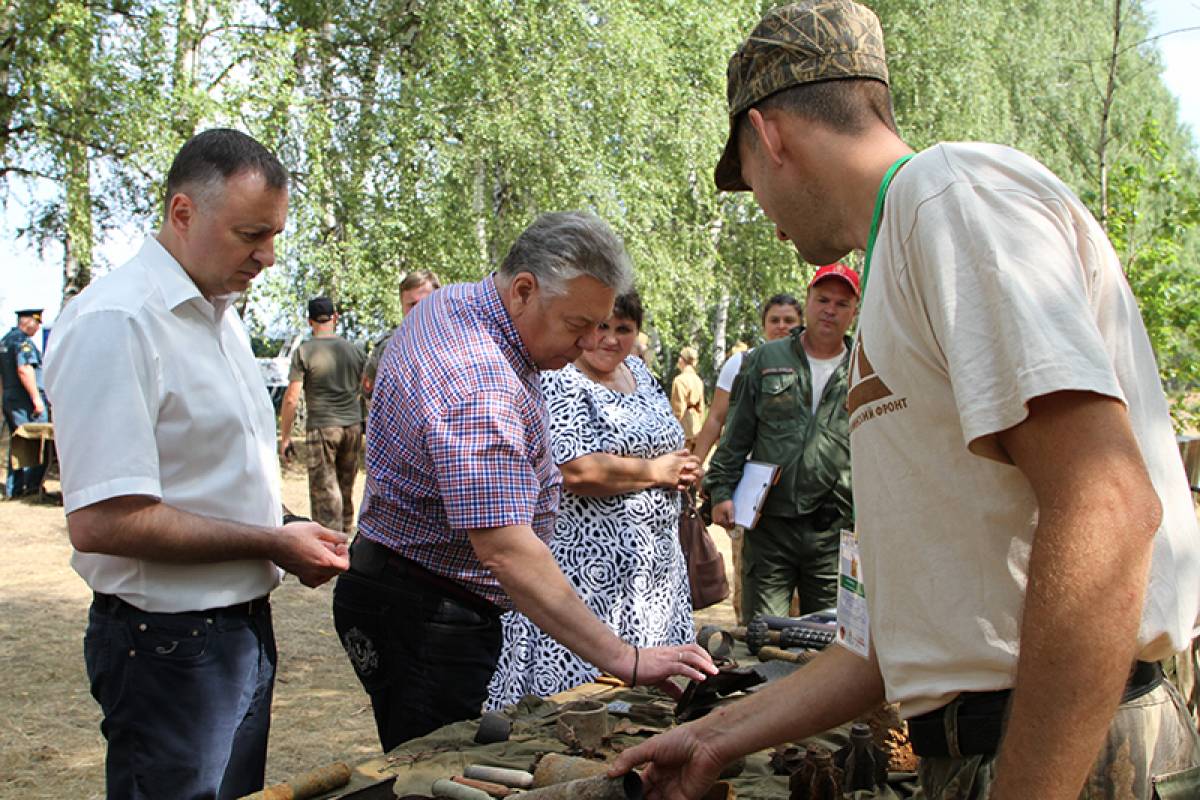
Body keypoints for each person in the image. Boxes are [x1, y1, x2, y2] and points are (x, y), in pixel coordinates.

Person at [611, 3, 1200, 799]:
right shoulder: (899, 261)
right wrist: (714, 736)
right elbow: (886, 641)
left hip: (1069, 754)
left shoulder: (950, 200)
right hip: (1008, 749)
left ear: (771, 135)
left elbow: (1107, 503)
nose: (766, 217)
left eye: (746, 176)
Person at [332, 211, 716, 753]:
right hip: (425, 611)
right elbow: (507, 551)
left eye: (602, 325)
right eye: (577, 325)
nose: (588, 345)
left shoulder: (464, 301)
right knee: (435, 772)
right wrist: (623, 658)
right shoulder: (480, 382)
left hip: (411, 588)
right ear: (523, 290)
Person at [44, 128, 350, 800]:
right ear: (182, 213)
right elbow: (104, 522)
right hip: (168, 645)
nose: (267, 257)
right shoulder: (117, 321)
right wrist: (272, 540)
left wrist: (287, 525)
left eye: (274, 234)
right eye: (250, 234)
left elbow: (211, 477)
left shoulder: (220, 314)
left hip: (235, 631)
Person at [486, 288, 702, 709]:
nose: (611, 339)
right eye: (602, 326)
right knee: (578, 701)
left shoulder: (640, 373)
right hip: (585, 576)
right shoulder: (560, 377)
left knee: (649, 706)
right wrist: (657, 471)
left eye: (624, 329)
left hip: (652, 577)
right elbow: (574, 469)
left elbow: (670, 443)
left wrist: (685, 469)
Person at [704, 265, 857, 623]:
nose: (830, 310)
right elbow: (737, 433)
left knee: (829, 637)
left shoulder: (865, 366)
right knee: (764, 632)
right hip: (771, 524)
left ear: (854, 311)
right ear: (809, 301)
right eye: (822, 300)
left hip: (833, 530)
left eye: (841, 303)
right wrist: (721, 490)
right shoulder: (765, 360)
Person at [279, 296, 368, 533]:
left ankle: (329, 547)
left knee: (325, 493)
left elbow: (291, 398)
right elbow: (368, 390)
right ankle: (346, 541)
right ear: (335, 318)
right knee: (346, 488)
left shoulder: (304, 352)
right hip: (352, 427)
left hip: (322, 427)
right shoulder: (356, 351)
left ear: (310, 321)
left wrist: (285, 437)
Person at [691, 294, 803, 464]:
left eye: (789, 320)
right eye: (774, 320)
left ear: (801, 325)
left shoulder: (811, 366)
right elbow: (716, 417)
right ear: (764, 325)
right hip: (746, 470)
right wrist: (695, 464)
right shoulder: (740, 363)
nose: (781, 326)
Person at [361, 269, 441, 401]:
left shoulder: (459, 341)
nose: (418, 309)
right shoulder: (387, 347)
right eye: (412, 305)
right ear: (402, 307)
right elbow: (369, 392)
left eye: (425, 302)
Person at [1, 308, 50, 496]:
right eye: (37, 323)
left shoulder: (6, 340)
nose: (38, 328)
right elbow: (24, 369)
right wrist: (37, 399)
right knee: (35, 441)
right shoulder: (23, 343)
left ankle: (14, 488)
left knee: (17, 442)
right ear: (28, 321)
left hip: (11, 398)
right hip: (26, 401)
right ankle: (31, 487)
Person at [670, 346, 705, 451]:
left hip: (684, 428)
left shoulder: (679, 380)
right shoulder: (698, 380)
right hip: (696, 426)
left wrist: (672, 429)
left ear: (681, 360)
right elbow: (701, 407)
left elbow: (678, 409)